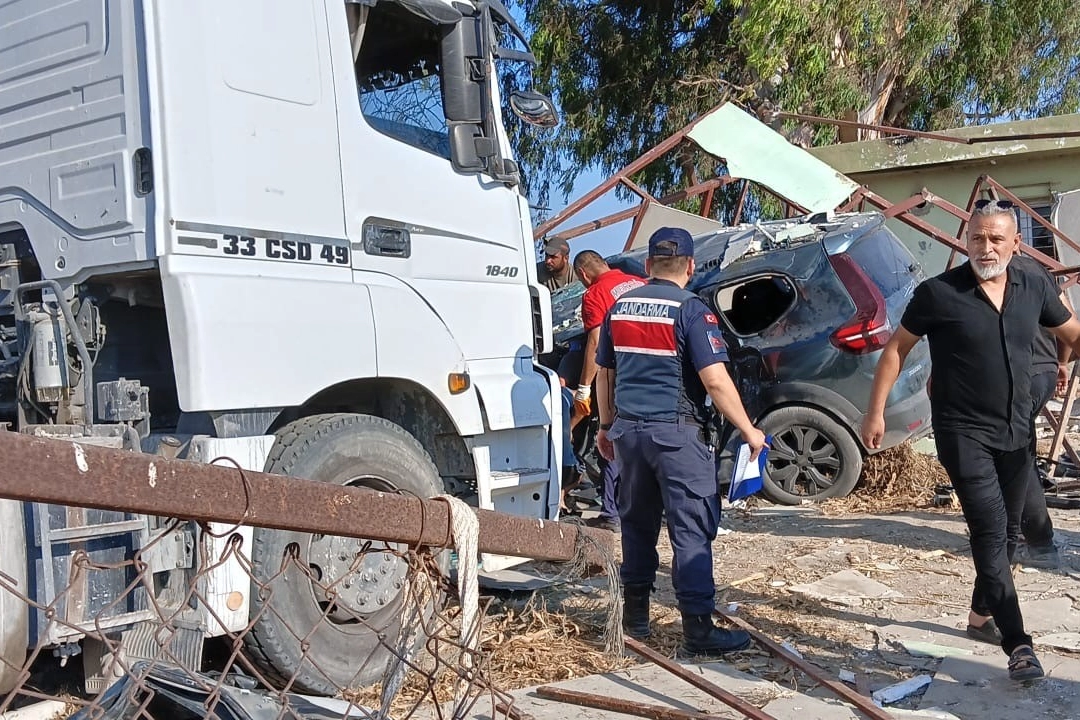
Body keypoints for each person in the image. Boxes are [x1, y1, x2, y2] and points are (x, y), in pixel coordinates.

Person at [861, 199, 1080, 682]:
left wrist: (1067, 358)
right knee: (989, 530)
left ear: (1016, 243)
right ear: (965, 240)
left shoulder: (1032, 286)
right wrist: (875, 412)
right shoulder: (939, 294)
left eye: (997, 238)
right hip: (963, 433)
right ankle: (1018, 645)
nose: (986, 247)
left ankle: (981, 616)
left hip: (1017, 430)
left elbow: (1072, 333)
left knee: (1007, 536)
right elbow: (896, 350)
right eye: (977, 237)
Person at [594, 226, 767, 656]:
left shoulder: (620, 306)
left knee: (636, 523)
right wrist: (749, 430)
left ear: (649, 265)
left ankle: (635, 619)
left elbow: (605, 373)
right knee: (691, 527)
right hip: (676, 434)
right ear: (690, 266)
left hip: (629, 434)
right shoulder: (691, 310)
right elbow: (715, 381)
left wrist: (604, 425)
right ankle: (698, 629)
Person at [569, 250, 646, 531]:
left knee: (611, 440)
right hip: (654, 376)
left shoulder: (594, 294)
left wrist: (583, 388)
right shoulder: (640, 283)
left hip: (619, 377)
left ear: (583, 275)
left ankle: (612, 512)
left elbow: (596, 344)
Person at [1012, 254, 1072, 570]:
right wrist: (1061, 363)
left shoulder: (981, 277)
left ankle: (1040, 541)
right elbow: (1068, 318)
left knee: (1016, 457)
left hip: (1018, 379)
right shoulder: (1042, 273)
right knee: (1023, 449)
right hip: (1045, 373)